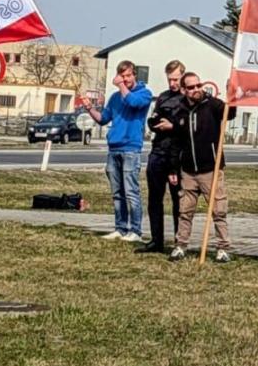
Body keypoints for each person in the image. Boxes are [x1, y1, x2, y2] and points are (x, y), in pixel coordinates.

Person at [81, 60, 153, 242]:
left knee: (131, 192)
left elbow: (133, 102)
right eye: (122, 76)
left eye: (128, 75)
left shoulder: (144, 93)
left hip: (131, 149)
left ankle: (135, 231)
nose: (125, 79)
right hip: (114, 149)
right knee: (117, 193)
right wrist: (90, 108)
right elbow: (103, 119)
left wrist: (121, 85)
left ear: (134, 75)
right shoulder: (115, 97)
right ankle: (120, 228)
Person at [169, 71, 236, 263]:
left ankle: (223, 248)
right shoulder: (180, 111)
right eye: (191, 87)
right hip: (188, 171)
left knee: (218, 210)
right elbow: (175, 144)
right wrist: (173, 169)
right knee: (185, 211)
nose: (196, 89)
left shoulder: (212, 105)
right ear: (184, 90)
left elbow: (229, 113)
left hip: (211, 169)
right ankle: (181, 245)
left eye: (199, 85)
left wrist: (231, 95)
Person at [136, 59, 186, 254]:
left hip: (177, 155)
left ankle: (178, 241)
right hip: (158, 151)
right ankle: (156, 240)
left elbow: (188, 126)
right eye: (169, 79)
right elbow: (154, 119)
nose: (172, 83)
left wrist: (173, 125)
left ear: (182, 76)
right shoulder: (164, 97)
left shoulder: (187, 98)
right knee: (154, 198)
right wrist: (155, 122)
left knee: (178, 201)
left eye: (175, 79)